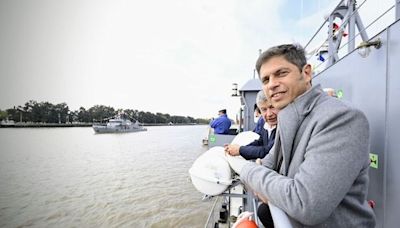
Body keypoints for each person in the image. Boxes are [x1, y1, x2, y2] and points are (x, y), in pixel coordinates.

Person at [234, 44, 375, 227]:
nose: (272, 84)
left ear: (306, 73)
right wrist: (269, 184)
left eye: (281, 73)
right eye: (266, 79)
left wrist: (247, 171)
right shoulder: (288, 117)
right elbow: (269, 164)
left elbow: (305, 204)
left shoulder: (340, 118)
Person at [225, 90, 278, 160]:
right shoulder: (264, 124)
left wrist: (240, 150)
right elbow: (260, 142)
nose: (269, 114)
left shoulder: (284, 127)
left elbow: (267, 151)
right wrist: (240, 148)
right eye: (264, 109)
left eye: (272, 107)